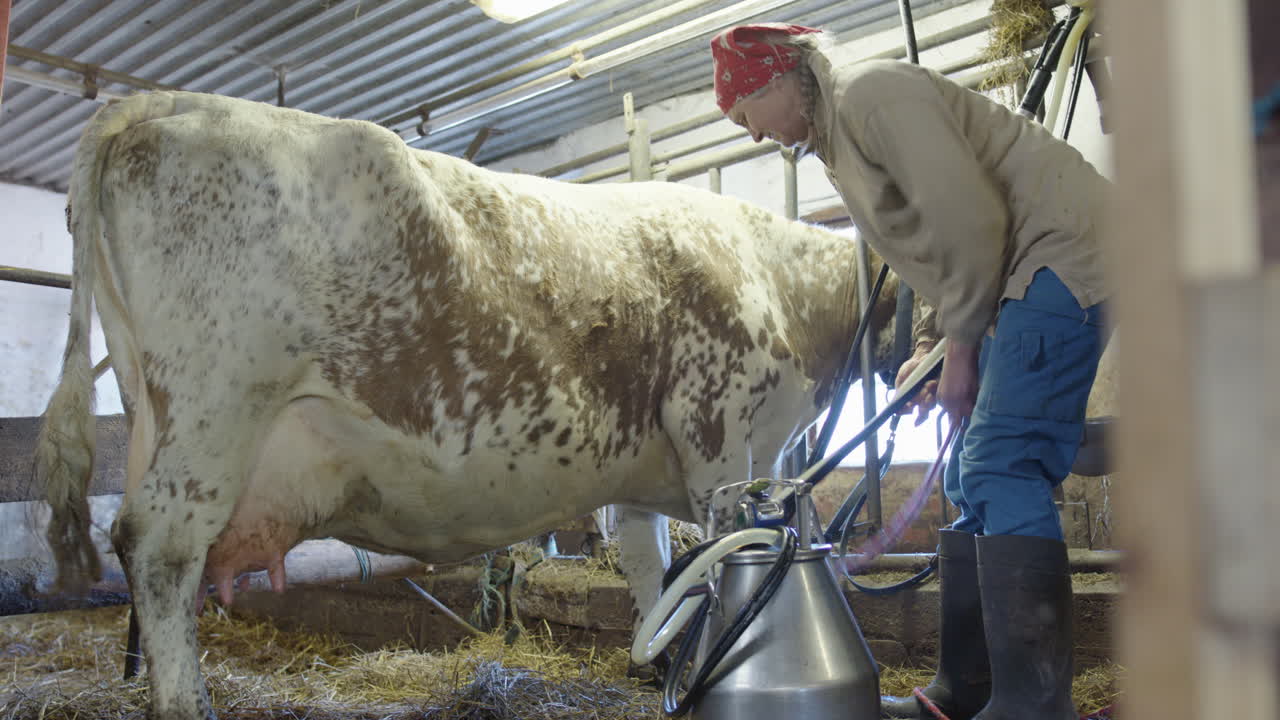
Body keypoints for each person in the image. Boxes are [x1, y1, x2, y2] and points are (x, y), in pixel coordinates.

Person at [709, 23, 1110, 720]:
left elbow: (974, 221)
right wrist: (932, 352)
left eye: (746, 115)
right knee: (967, 474)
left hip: (1062, 252)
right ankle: (968, 689)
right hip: (1016, 276)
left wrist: (960, 350)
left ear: (776, 81)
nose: (751, 136)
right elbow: (930, 250)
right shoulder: (839, 143)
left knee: (1001, 463)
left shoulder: (870, 97)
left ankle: (1035, 708)